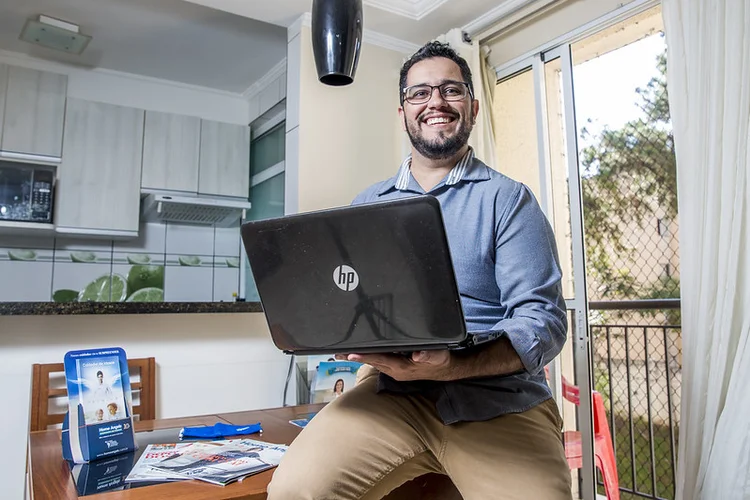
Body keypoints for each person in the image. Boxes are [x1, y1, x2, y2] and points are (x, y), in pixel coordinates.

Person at [267, 41, 570, 500]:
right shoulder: (367, 205)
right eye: (420, 93)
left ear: (472, 105)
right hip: (390, 396)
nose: (436, 103)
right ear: (403, 109)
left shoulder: (509, 200)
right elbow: (347, 300)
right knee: (294, 492)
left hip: (499, 403)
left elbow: (543, 323)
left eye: (451, 90)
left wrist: (453, 365)